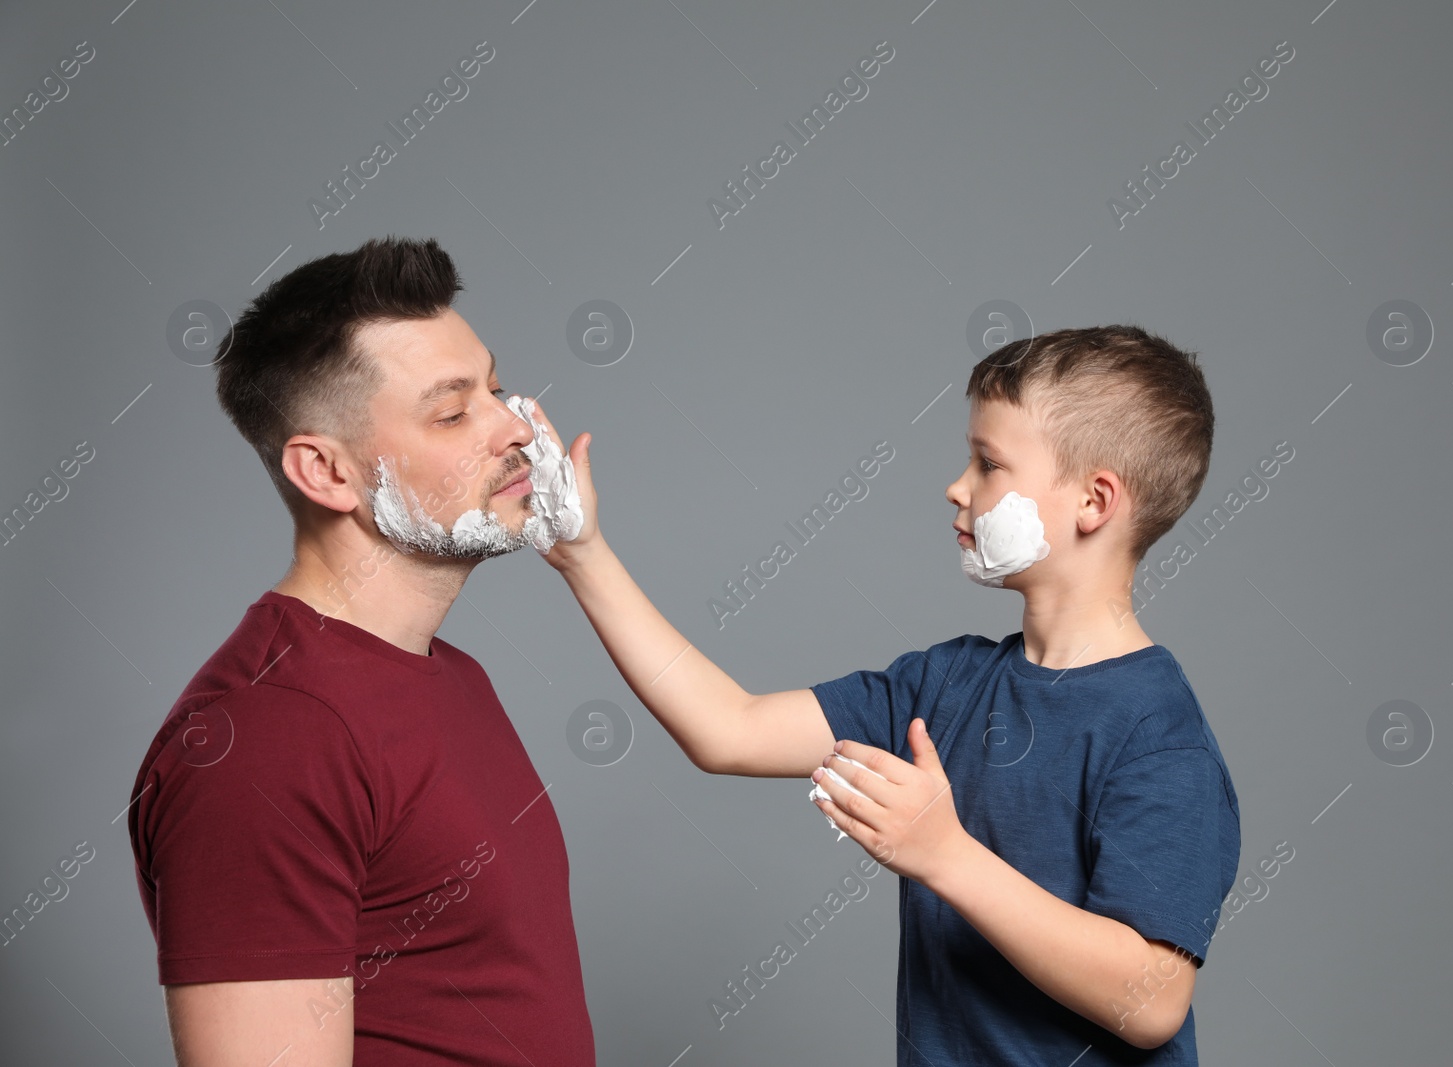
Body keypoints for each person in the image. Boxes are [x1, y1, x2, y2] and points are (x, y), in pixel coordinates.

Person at [538, 324, 1241, 1064]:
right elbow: (730, 728)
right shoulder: (944, 685)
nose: (956, 486)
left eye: (988, 463)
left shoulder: (1158, 735)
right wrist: (583, 555)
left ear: (1094, 501)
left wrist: (945, 855)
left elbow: (1154, 997)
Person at [126, 236, 595, 1066]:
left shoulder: (452, 677)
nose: (514, 426)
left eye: (495, 386)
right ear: (327, 473)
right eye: (453, 412)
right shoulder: (265, 740)